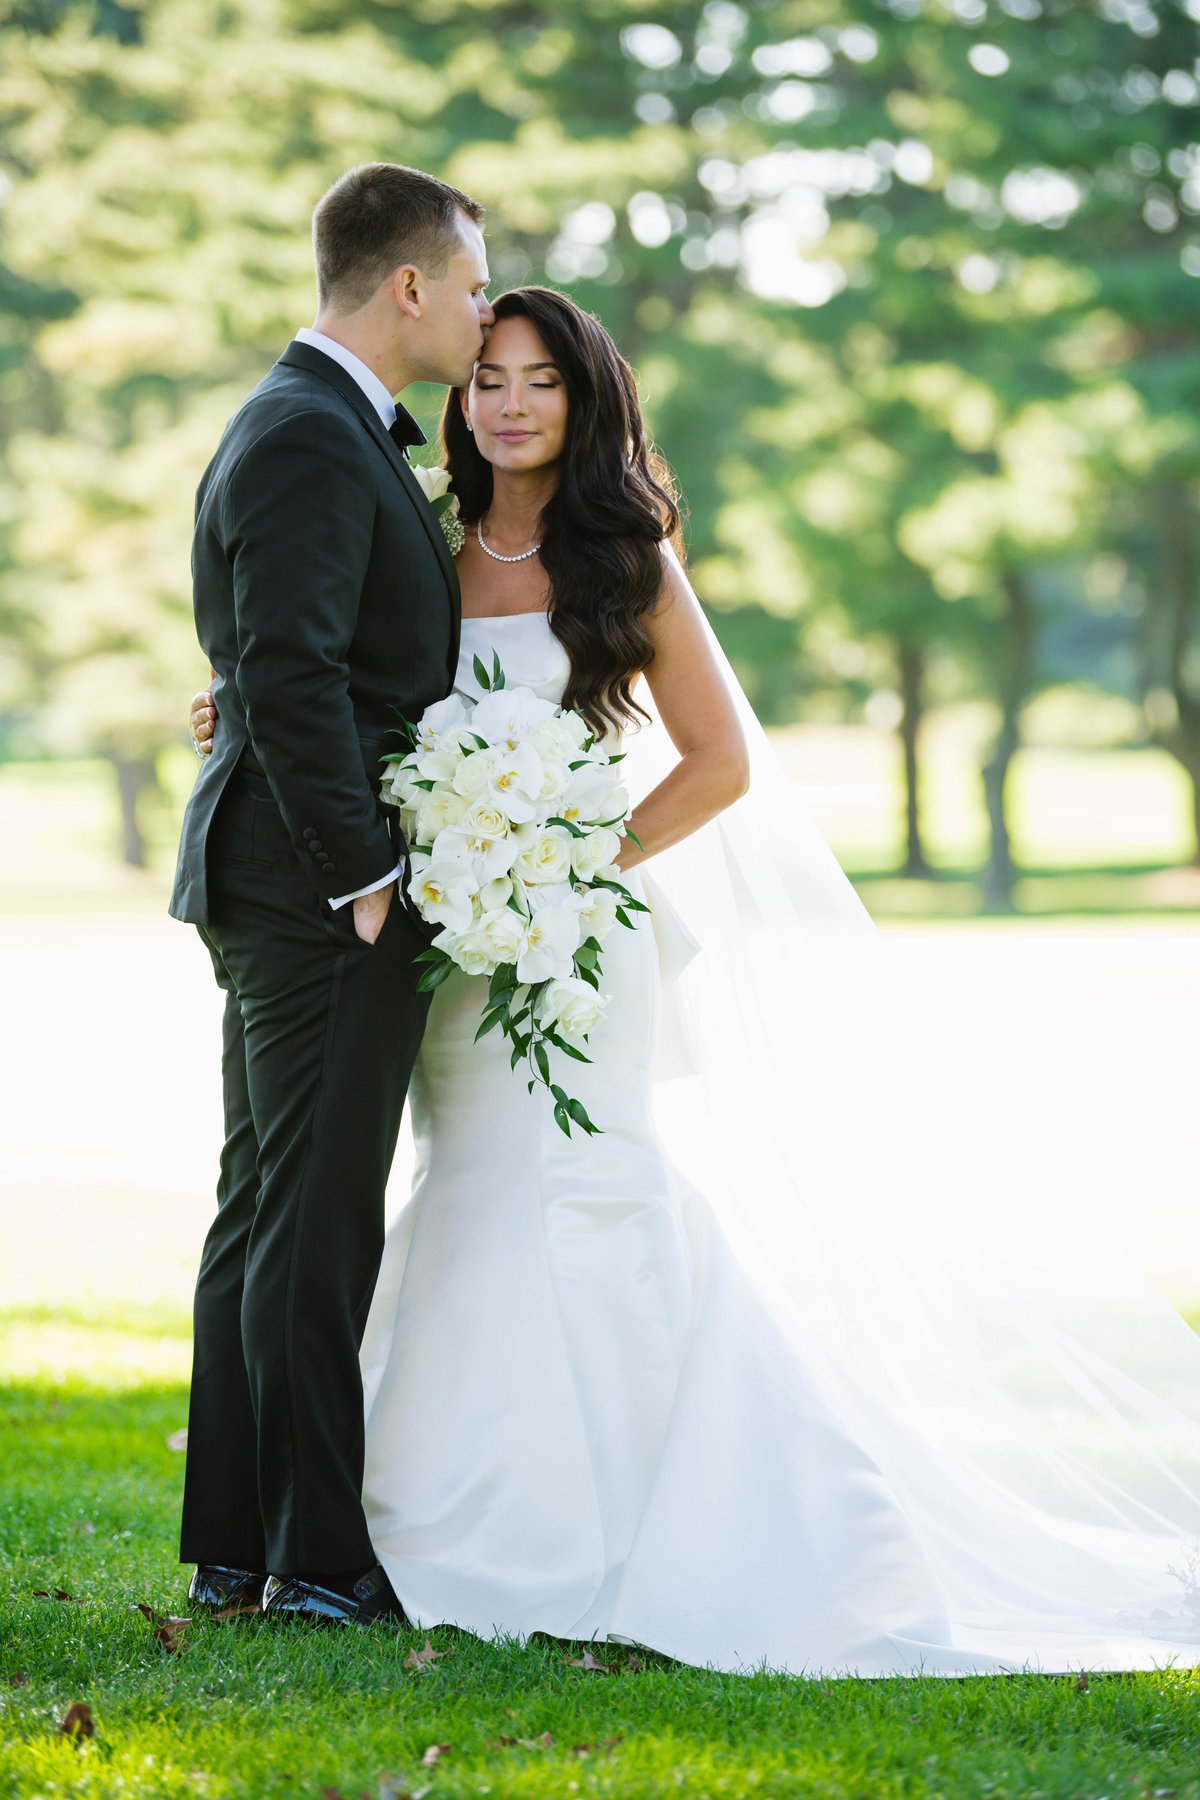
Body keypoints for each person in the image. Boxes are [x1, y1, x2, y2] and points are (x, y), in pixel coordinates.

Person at [188, 285, 1200, 1677]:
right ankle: (446, 1527)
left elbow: (717, 762)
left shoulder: (628, 561)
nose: (511, 404)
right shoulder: (419, 543)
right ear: (459, 400)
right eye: (487, 379)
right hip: (451, 948)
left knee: (593, 1190)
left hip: (575, 939)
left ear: (586, 398)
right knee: (466, 1191)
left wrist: (568, 859)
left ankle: (666, 1530)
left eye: (541, 380)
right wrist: (234, 706)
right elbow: (322, 668)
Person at [171, 161, 493, 1627]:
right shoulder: (308, 433)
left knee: (269, 1204)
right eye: (473, 284)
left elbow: (285, 655)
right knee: (312, 1215)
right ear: (409, 285)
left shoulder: (313, 424)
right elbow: (292, 672)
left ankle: (243, 1545)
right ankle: (312, 1558)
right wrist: (366, 871)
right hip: (316, 889)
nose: (481, 314)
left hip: (279, 874)